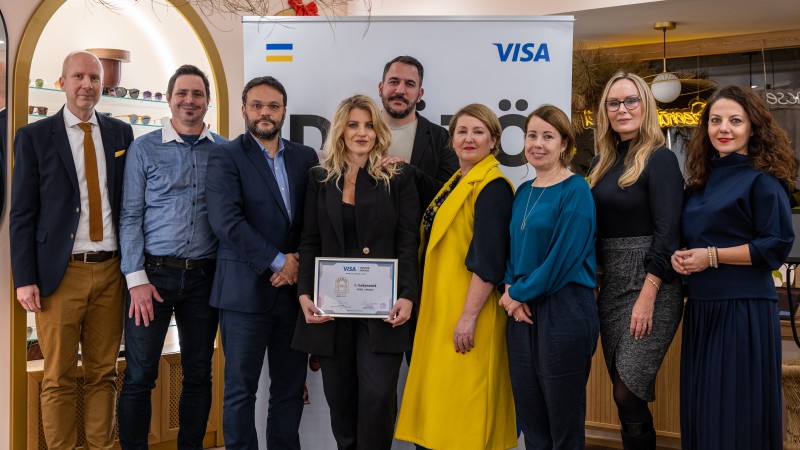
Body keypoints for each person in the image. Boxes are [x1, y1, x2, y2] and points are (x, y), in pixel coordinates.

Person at [10, 50, 134, 450]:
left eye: (94, 78)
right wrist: (25, 277)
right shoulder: (33, 137)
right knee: (58, 375)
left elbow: (128, 203)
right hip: (59, 275)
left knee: (104, 373)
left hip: (112, 271)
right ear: (62, 82)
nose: (87, 85)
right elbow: (23, 213)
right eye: (78, 76)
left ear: (103, 84)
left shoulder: (120, 134)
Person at [292, 94, 419, 450]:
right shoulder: (320, 178)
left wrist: (407, 294)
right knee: (340, 399)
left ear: (378, 131)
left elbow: (409, 241)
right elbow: (309, 241)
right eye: (353, 125)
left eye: (367, 125)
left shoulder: (399, 176)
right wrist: (304, 294)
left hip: (384, 310)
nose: (361, 133)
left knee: (378, 396)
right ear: (340, 131)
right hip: (332, 310)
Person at [672, 85, 796, 450]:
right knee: (704, 411)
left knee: (735, 413)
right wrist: (683, 255)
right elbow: (692, 237)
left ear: (753, 128)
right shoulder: (698, 184)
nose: (723, 128)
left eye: (735, 121)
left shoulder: (764, 180)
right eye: (715, 120)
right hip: (702, 310)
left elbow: (775, 245)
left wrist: (710, 256)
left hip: (743, 310)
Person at [117, 64, 227, 449]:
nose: (189, 101)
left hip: (204, 279)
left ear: (207, 101)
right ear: (169, 98)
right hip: (152, 278)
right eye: (182, 93)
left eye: (197, 94)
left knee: (199, 374)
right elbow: (130, 216)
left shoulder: (224, 150)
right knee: (139, 375)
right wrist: (136, 280)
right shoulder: (144, 148)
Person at [395, 103, 517, 450]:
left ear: (494, 140)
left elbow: (489, 261)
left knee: (464, 420)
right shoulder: (456, 181)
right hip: (441, 312)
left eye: (479, 132)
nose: (469, 138)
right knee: (441, 420)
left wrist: (468, 317)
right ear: (451, 140)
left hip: (467, 316)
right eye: (462, 131)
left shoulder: (492, 186)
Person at [206, 76, 318, 450]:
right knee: (240, 392)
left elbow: (312, 220)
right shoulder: (225, 155)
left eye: (273, 106)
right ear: (244, 110)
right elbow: (226, 221)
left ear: (284, 111)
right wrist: (277, 262)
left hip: (293, 297)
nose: (265, 113)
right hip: (244, 295)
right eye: (257, 105)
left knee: (288, 391)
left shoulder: (305, 157)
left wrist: (298, 262)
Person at [588, 71, 684, 449]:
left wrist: (648, 293)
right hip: (611, 283)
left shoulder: (660, 159)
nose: (622, 109)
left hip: (652, 283)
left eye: (631, 101)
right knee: (622, 393)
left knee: (629, 390)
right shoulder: (601, 162)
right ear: (605, 111)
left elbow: (668, 233)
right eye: (614, 102)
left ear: (646, 106)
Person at [499, 105, 599, 449]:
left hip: (565, 310)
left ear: (564, 145)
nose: (537, 144)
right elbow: (513, 250)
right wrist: (511, 289)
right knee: (532, 419)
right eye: (531, 135)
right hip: (521, 312)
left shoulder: (576, 190)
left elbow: (563, 259)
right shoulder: (523, 191)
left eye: (547, 136)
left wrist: (518, 293)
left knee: (563, 422)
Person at [378, 55, 459, 212]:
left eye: (409, 84)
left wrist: (411, 174)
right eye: (394, 82)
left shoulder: (441, 139)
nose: (400, 90)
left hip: (418, 234)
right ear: (381, 88)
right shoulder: (356, 134)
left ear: (420, 94)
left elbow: (449, 195)